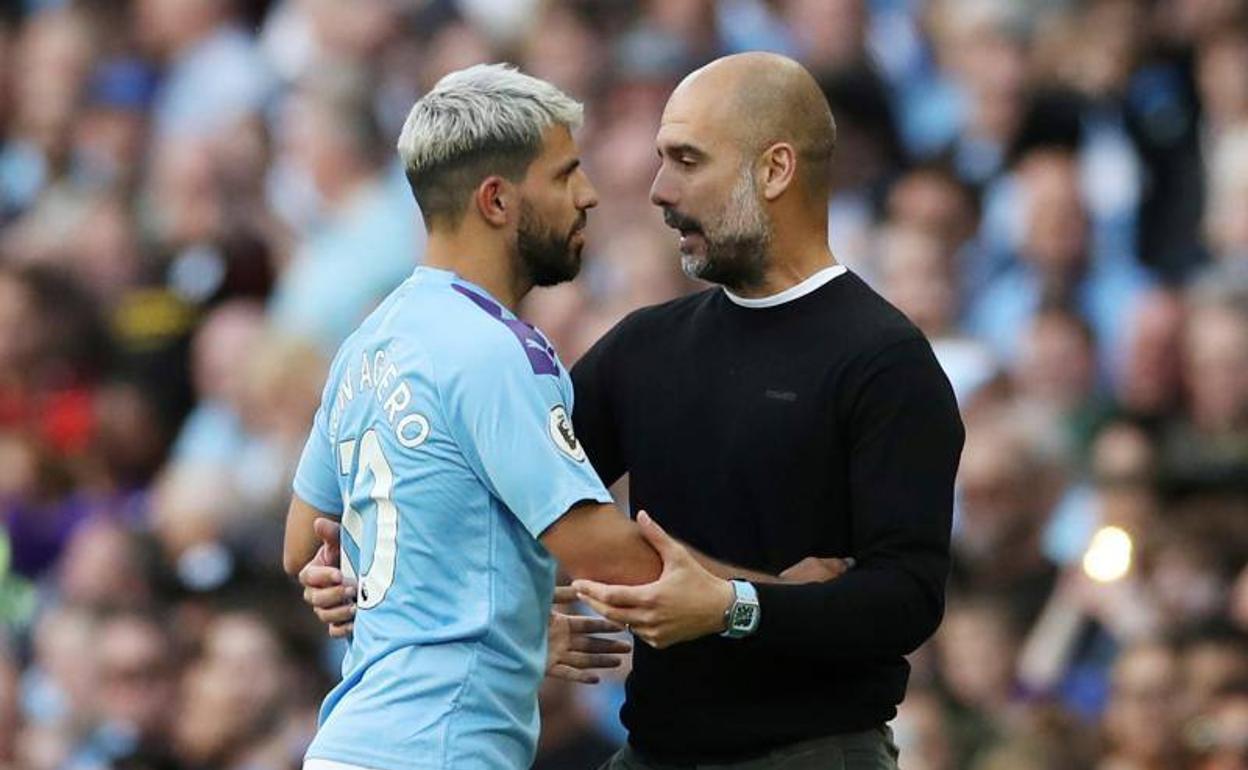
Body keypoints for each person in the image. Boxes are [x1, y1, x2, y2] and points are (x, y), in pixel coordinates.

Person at [301, 53, 964, 769]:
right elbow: (494, 512)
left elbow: (907, 599)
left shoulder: (885, 360)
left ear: (774, 171)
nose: (657, 190)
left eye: (686, 160)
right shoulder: (644, 349)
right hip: (653, 750)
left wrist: (738, 607)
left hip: (812, 751)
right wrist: (367, 581)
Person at [280, 64, 665, 770]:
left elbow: (302, 543)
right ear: (496, 200)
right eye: (564, 174)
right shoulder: (497, 351)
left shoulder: (370, 340)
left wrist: (506, 623)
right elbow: (612, 561)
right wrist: (764, 594)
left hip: (352, 746)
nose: (588, 195)